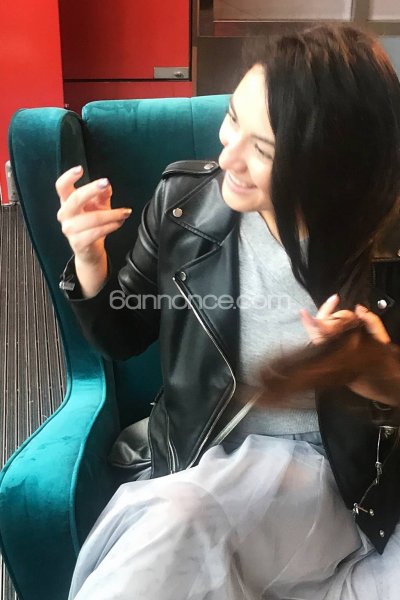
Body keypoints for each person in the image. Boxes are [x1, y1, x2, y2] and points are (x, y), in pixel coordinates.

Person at [56, 24, 400, 600]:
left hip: (353, 486)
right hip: (211, 465)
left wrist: (380, 375)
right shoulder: (184, 205)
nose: (227, 156)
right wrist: (90, 263)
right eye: (234, 118)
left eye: (263, 150)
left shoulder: (386, 248)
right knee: (174, 535)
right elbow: (122, 336)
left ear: (332, 164)